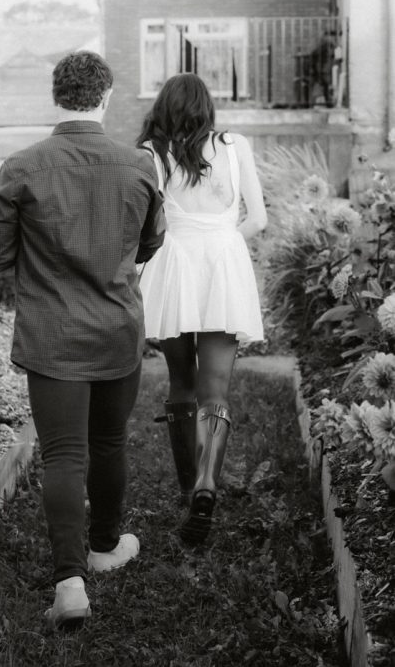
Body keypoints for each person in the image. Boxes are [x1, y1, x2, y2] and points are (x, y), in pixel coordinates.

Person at [0, 51, 165, 627]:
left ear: (56, 96)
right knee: (107, 443)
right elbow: (151, 242)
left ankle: (69, 583)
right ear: (105, 97)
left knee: (62, 453)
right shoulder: (138, 164)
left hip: (52, 332)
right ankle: (105, 547)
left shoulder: (22, 166)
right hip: (114, 329)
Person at [136, 73, 267, 545]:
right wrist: (225, 242)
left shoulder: (152, 153)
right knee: (215, 388)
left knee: (181, 382)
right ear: (207, 108)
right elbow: (261, 218)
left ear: (163, 108)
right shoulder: (235, 145)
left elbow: (149, 223)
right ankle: (207, 486)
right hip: (223, 268)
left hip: (173, 268)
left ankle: (189, 485)